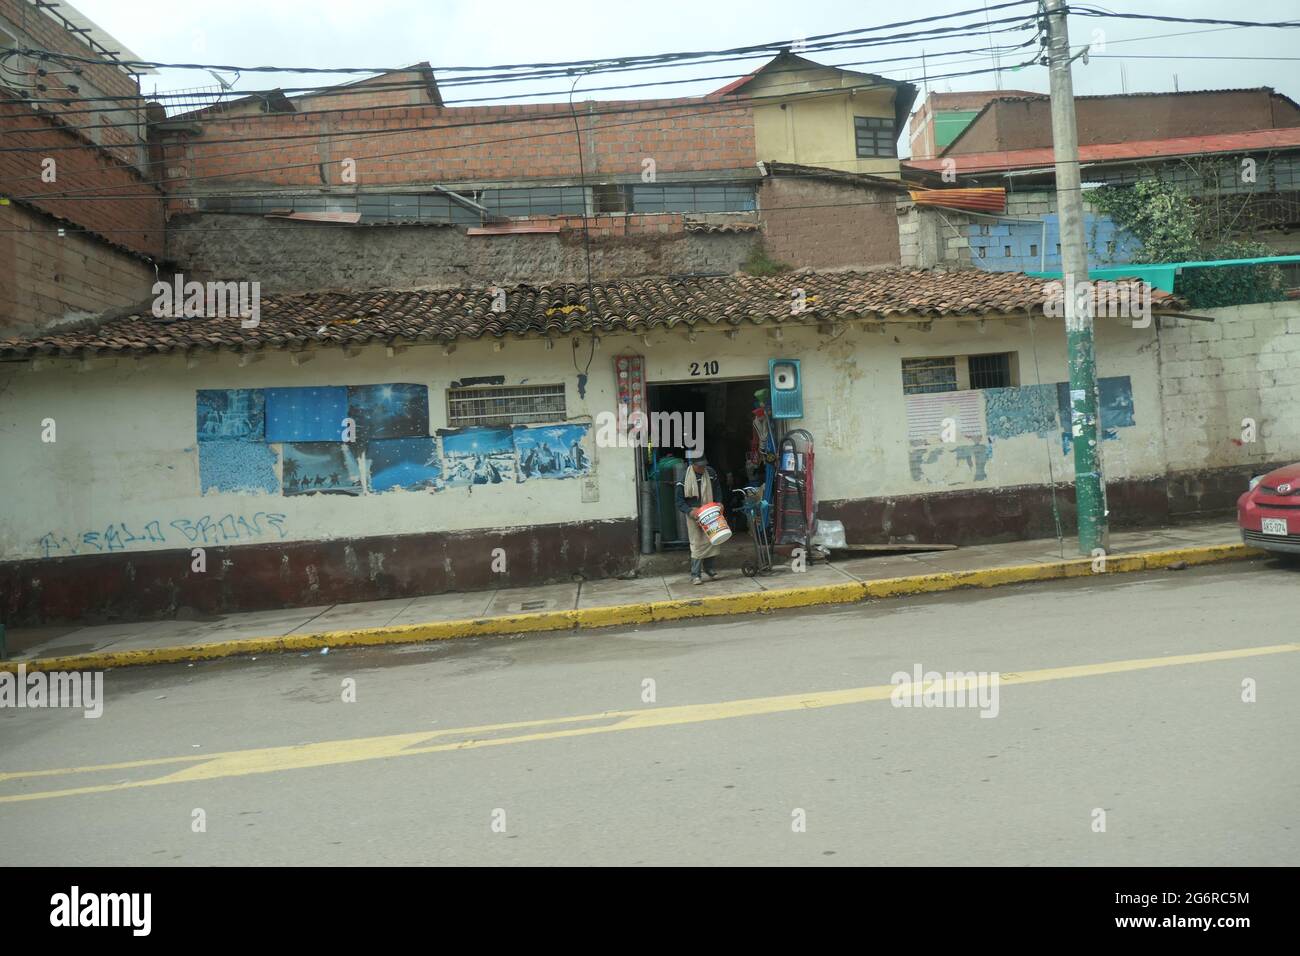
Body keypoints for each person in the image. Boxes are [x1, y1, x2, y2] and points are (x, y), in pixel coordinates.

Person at [676, 454, 722, 585]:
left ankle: (710, 569)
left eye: (704, 465)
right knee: (697, 544)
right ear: (693, 465)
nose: (703, 468)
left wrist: (719, 502)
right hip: (694, 513)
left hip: (710, 510)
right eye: (700, 466)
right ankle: (695, 574)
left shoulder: (711, 473)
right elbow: (679, 501)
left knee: (712, 540)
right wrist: (690, 511)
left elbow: (717, 489)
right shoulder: (684, 477)